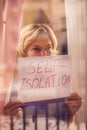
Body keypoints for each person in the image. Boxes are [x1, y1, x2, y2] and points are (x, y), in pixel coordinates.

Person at [4, 24, 82, 126]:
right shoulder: (12, 88)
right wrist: (8, 118)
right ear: (24, 53)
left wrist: (71, 113)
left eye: (48, 48)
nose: (44, 54)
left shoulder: (62, 85)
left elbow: (63, 125)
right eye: (36, 49)